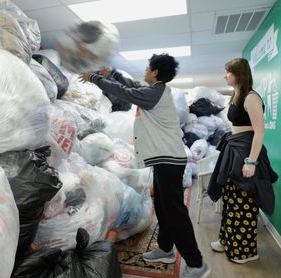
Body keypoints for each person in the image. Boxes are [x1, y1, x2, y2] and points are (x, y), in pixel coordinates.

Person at [80, 54, 210, 278]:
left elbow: (127, 92)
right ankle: (166, 250)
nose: (145, 71)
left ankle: (197, 263)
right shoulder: (156, 90)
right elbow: (131, 84)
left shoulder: (153, 94)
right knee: (162, 206)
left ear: (156, 72)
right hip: (163, 160)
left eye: (148, 68)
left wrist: (94, 78)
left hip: (169, 161)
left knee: (175, 212)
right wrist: (112, 74)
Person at [207, 58, 278, 263]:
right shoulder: (237, 96)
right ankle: (227, 240)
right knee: (230, 199)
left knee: (243, 201)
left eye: (227, 72)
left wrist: (251, 162)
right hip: (234, 149)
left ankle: (245, 251)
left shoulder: (251, 97)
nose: (224, 75)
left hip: (246, 153)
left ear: (238, 74)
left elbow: (260, 131)